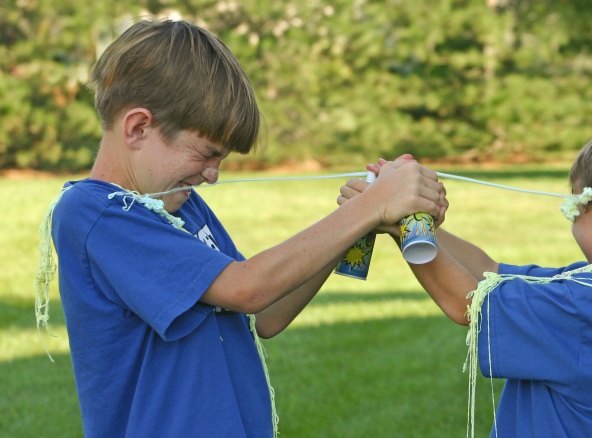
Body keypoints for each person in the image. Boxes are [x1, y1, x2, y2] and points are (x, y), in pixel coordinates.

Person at [42, 18, 444, 438]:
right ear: (139, 127)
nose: (212, 176)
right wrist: (371, 207)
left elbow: (266, 314)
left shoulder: (181, 206)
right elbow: (247, 289)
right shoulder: (95, 214)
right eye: (206, 154)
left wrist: (363, 215)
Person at [339, 107, 592, 437]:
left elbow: (469, 302)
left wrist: (405, 221)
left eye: (573, 204)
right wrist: (412, 221)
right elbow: (490, 272)